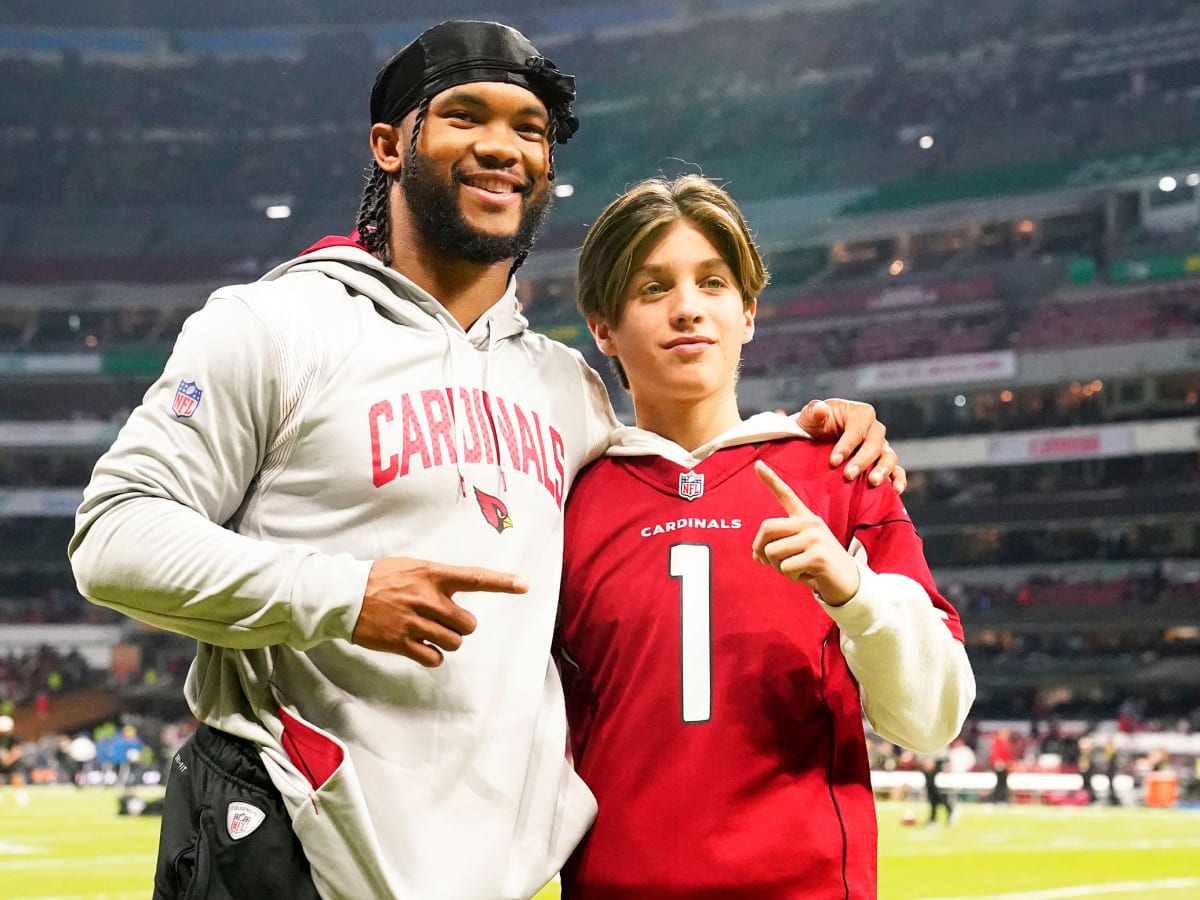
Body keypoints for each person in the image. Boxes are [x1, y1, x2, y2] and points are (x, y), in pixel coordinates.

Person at [68, 22, 900, 900]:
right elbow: (115, 537)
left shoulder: (566, 388)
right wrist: (344, 596)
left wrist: (820, 426)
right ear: (390, 144)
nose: (502, 146)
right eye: (466, 116)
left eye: (530, 130)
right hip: (288, 847)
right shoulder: (272, 327)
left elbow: (680, 471)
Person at [556, 175, 975, 898]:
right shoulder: (563, 497)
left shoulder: (841, 468)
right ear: (602, 327)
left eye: (712, 283)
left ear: (748, 312)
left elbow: (933, 720)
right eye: (653, 288)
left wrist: (856, 597)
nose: (688, 308)